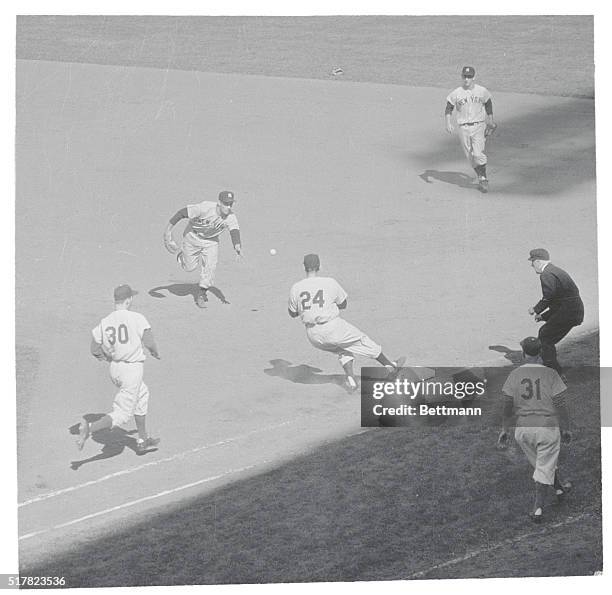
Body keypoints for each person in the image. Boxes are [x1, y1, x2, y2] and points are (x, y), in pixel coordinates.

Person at [288, 254, 403, 392]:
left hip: (313, 336)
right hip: (332, 328)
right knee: (362, 340)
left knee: (343, 349)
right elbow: (343, 304)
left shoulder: (296, 287)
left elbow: (293, 313)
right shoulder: (329, 282)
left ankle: (351, 380)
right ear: (319, 266)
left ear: (304, 267)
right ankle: (391, 366)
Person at [76, 284, 161, 455]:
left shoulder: (105, 321)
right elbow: (149, 341)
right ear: (129, 300)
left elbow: (94, 348)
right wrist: (155, 352)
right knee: (122, 413)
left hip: (115, 369)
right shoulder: (137, 318)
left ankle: (142, 439)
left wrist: (106, 358)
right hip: (132, 371)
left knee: (142, 394)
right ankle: (90, 428)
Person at [497, 336, 572, 523]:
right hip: (547, 429)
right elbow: (561, 404)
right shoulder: (551, 374)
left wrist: (505, 429)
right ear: (540, 353)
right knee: (543, 467)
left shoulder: (514, 375)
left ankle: (560, 489)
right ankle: (538, 509)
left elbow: (507, 404)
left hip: (523, 431)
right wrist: (566, 428)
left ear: (523, 353)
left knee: (542, 464)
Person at [164, 190, 242, 308]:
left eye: (231, 204)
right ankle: (182, 257)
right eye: (226, 204)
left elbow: (234, 230)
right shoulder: (204, 208)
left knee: (210, 266)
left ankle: (201, 294)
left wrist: (237, 245)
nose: (228, 207)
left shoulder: (231, 217)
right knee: (190, 268)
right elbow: (181, 213)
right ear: (219, 203)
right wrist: (167, 232)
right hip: (192, 236)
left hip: (210, 241)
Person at [527, 248, 584, 375]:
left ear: (539, 261)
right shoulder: (556, 270)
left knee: (545, 336)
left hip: (568, 312)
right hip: (573, 311)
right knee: (547, 337)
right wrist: (543, 316)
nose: (532, 265)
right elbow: (560, 301)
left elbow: (549, 297)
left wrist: (535, 309)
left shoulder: (546, 274)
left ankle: (554, 373)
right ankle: (549, 366)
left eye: (533, 262)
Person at [445, 66, 497, 193]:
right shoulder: (456, 92)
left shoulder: (481, 91)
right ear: (461, 77)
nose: (466, 79)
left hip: (479, 126)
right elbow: (449, 107)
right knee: (470, 157)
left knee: (478, 154)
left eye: (469, 77)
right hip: (463, 128)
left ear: (474, 77)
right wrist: (448, 122)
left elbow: (488, 103)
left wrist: (490, 119)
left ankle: (483, 178)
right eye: (464, 76)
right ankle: (481, 176)